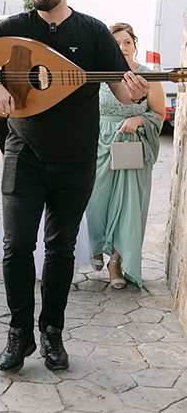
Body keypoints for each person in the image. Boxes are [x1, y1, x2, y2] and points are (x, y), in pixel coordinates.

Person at [0, 0, 149, 374]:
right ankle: (19, 333)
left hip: (75, 160)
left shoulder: (93, 32)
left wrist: (135, 91)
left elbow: (120, 90)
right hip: (24, 156)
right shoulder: (15, 27)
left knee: (60, 249)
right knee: (16, 247)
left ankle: (52, 334)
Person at [86, 22, 164, 289]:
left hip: (132, 146)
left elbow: (158, 114)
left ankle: (116, 262)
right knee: (95, 202)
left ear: (134, 44)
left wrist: (138, 121)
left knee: (129, 209)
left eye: (127, 42)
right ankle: (96, 247)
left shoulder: (147, 75)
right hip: (100, 144)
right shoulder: (101, 74)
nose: (122, 48)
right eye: (116, 43)